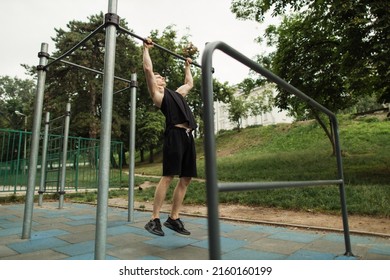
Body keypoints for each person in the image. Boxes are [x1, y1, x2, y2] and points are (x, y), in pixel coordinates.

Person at [142, 38, 197, 236]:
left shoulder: (177, 93)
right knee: (168, 177)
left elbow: (189, 83)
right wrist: (145, 49)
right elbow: (148, 70)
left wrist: (187, 65)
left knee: (186, 178)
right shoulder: (158, 95)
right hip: (174, 134)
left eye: (161, 76)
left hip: (188, 136)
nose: (160, 77)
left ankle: (173, 218)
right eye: (158, 77)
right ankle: (154, 219)